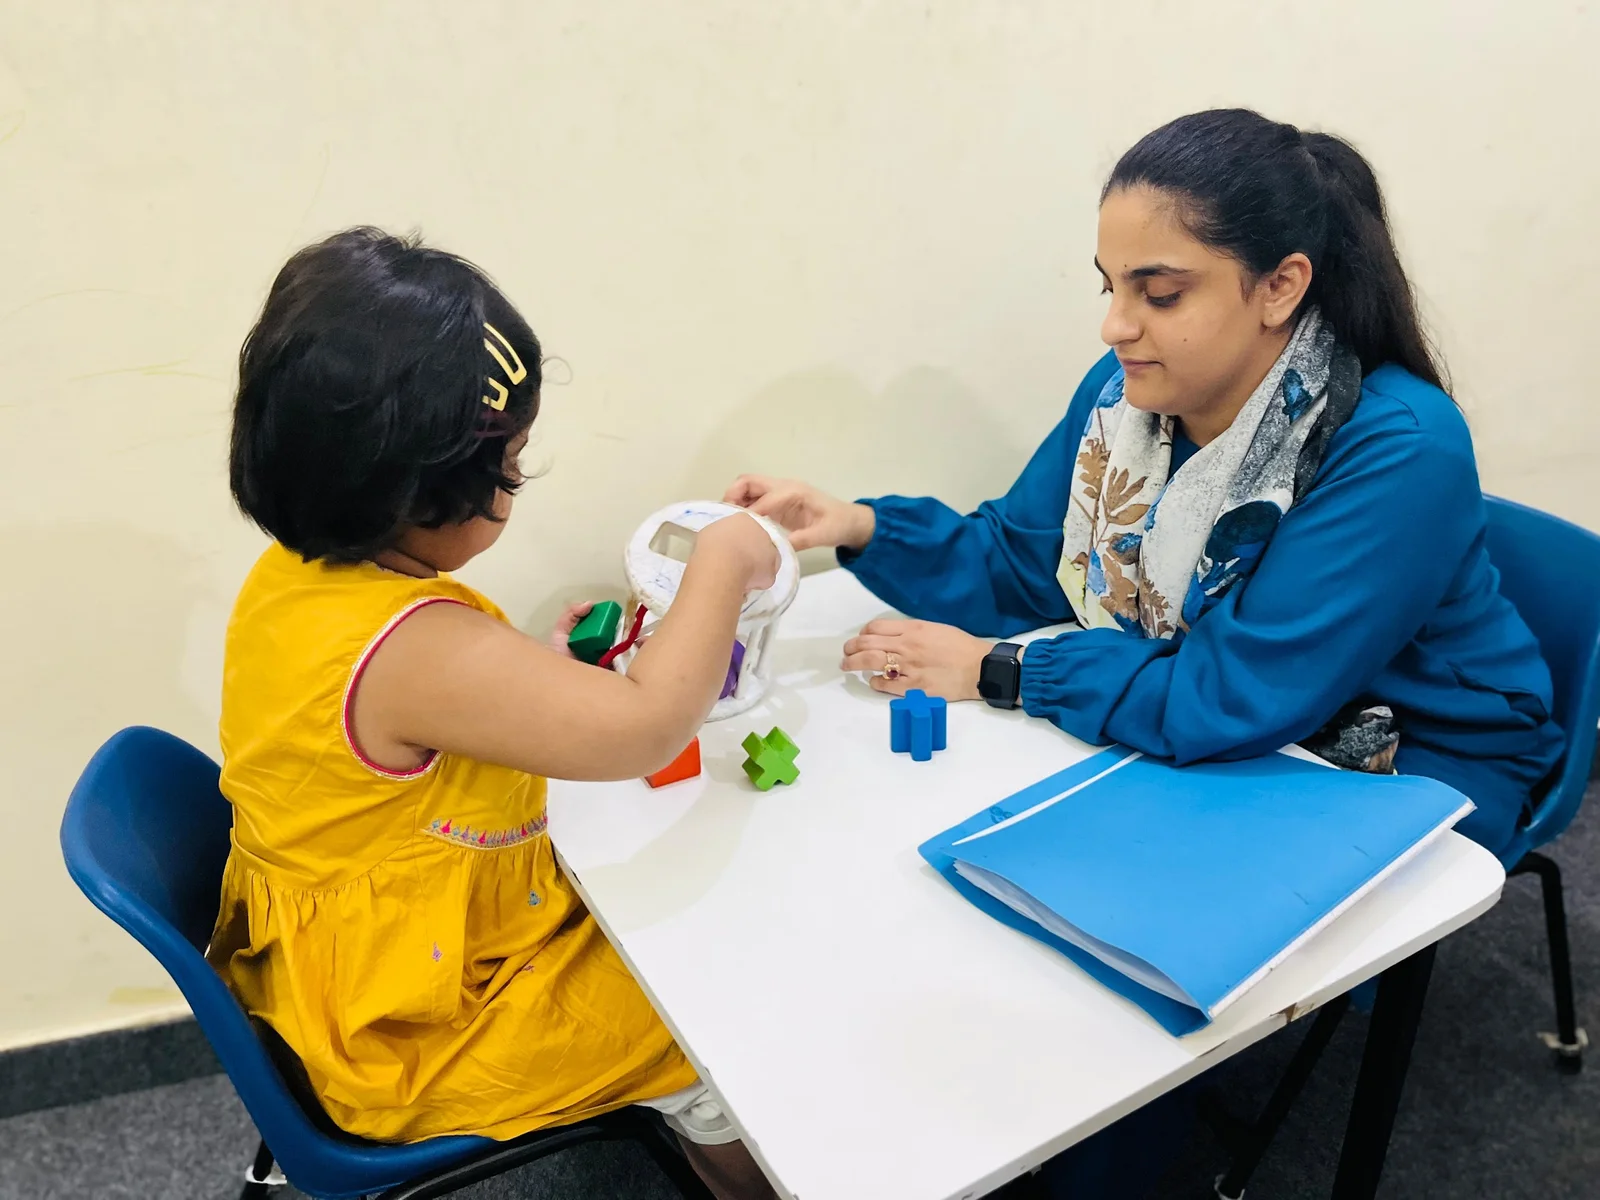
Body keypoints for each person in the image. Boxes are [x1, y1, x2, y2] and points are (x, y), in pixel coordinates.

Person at [726, 108, 1564, 867]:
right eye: (1111, 285)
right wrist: (859, 525)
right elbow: (1024, 562)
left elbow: (1236, 696)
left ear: (1281, 286)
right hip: (1229, 716)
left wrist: (1004, 671)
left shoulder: (1400, 447)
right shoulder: (1126, 393)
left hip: (1412, 753)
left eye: (1160, 294)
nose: (1116, 325)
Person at [211, 228, 780, 1200]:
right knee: (705, 1018)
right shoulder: (413, 646)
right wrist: (724, 558)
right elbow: (647, 727)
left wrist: (534, 675)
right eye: (510, 468)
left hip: (349, 957)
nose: (515, 487)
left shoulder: (295, 577)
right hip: (414, 1025)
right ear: (427, 490)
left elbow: (401, 725)